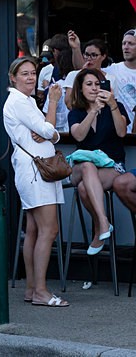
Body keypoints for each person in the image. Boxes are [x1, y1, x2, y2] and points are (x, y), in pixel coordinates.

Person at [3, 57, 69, 307]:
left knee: (34, 230)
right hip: (34, 170)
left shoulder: (26, 100)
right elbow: (48, 132)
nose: (30, 78)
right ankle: (40, 291)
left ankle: (33, 289)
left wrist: (46, 129)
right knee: (49, 229)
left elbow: (45, 131)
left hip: (33, 167)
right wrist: (52, 103)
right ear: (13, 78)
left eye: (33, 73)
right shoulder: (19, 101)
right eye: (25, 74)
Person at [68, 68, 127, 256]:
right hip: (81, 167)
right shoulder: (76, 112)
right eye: (89, 84)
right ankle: (103, 221)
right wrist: (93, 111)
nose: (94, 88)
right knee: (87, 165)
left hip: (111, 166)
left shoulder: (116, 106)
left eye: (97, 84)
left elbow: (122, 132)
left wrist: (112, 105)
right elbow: (78, 135)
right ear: (81, 88)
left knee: (85, 188)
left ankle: (98, 228)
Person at [103, 29, 136, 131]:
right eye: (124, 43)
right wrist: (76, 48)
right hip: (120, 132)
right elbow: (84, 69)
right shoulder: (113, 69)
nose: (126, 47)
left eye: (131, 44)